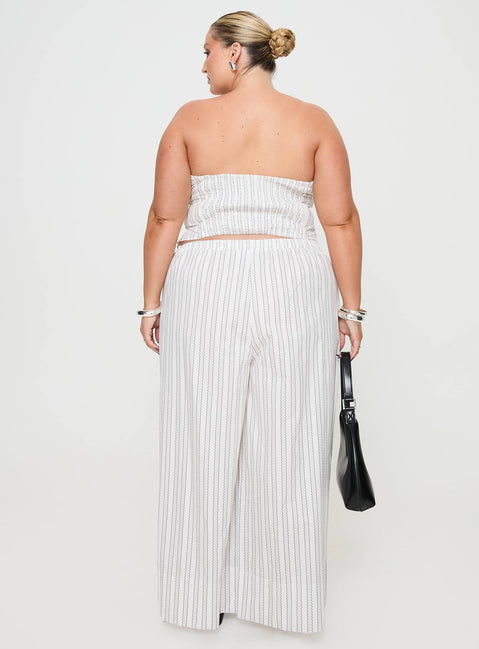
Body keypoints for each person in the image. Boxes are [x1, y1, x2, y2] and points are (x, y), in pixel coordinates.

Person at [138, 10, 365, 634]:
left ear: (235, 55)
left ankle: (196, 595)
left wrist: (151, 303)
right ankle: (282, 601)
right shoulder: (314, 122)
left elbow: (165, 217)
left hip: (206, 279)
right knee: (290, 437)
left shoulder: (189, 120)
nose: (202, 64)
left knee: (200, 436)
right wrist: (350, 308)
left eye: (208, 52)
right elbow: (340, 220)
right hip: (294, 281)